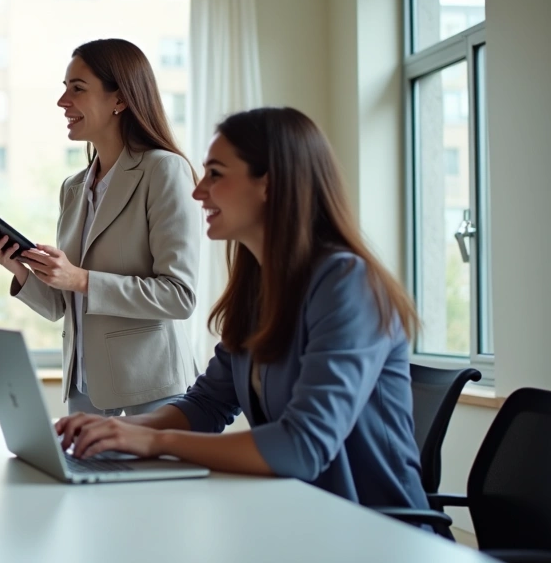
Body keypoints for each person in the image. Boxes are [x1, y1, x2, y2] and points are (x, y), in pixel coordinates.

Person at [55, 107, 428, 509]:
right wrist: (117, 431)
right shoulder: (259, 290)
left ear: (268, 183)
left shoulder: (347, 284)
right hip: (298, 514)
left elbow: (302, 446)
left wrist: (155, 441)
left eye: (215, 174)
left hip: (371, 527)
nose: (198, 191)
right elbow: (206, 404)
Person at [0, 38, 201, 415]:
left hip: (150, 390)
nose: (62, 101)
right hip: (84, 389)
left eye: (77, 89)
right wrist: (18, 267)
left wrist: (81, 279)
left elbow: (178, 296)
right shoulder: (74, 187)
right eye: (64, 88)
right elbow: (60, 306)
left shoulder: (163, 170)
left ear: (120, 99)